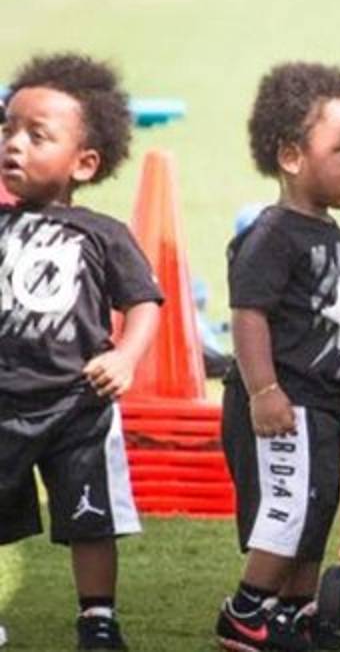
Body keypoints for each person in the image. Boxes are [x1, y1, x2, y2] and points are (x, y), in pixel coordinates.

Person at [0, 53, 163, 650]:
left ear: (85, 163)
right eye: (7, 130)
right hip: (4, 403)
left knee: (92, 519)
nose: (14, 145)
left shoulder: (102, 233)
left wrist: (125, 358)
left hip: (79, 406)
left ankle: (98, 619)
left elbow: (146, 302)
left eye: (35, 135)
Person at [215, 63, 340, 652]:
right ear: (290, 156)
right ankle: (246, 614)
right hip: (285, 403)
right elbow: (249, 313)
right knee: (287, 509)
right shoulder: (275, 234)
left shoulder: (326, 232)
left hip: (324, 403)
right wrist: (264, 391)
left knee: (316, 510)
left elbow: (332, 319)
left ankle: (294, 617)